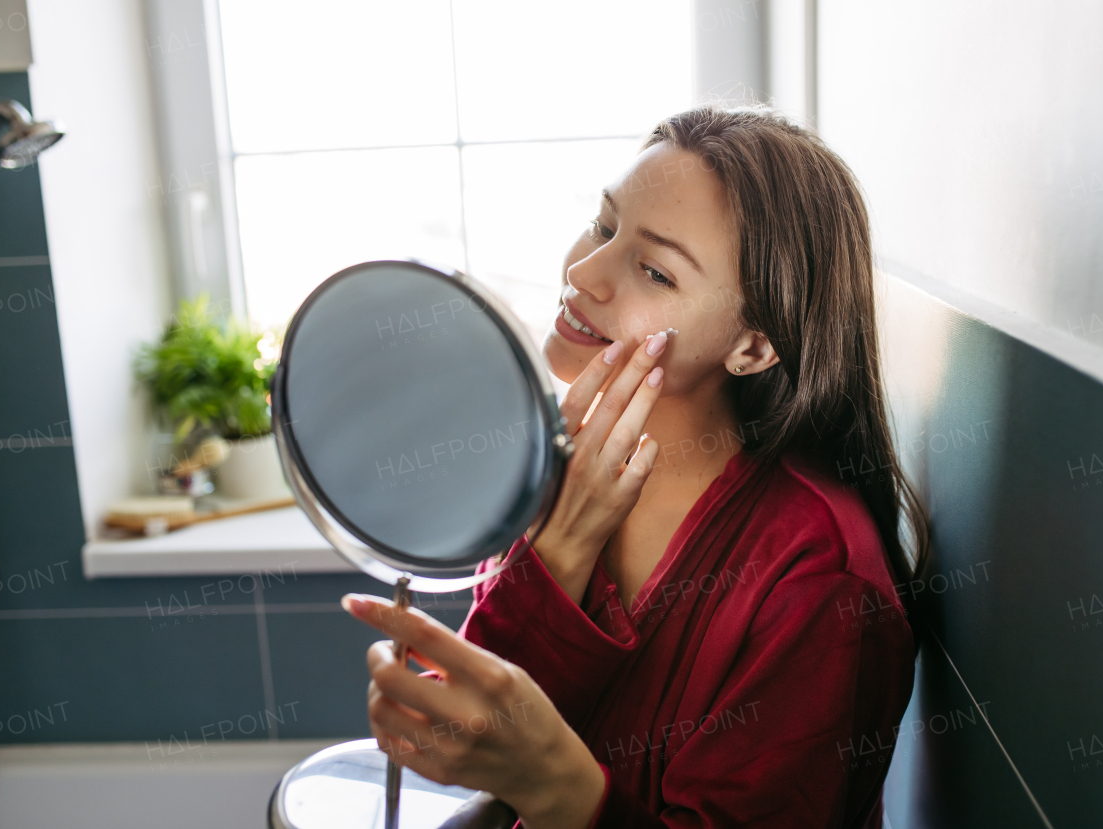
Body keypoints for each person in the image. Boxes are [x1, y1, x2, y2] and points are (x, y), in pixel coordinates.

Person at [342, 105, 930, 828]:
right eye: (602, 224)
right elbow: (464, 745)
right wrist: (553, 557)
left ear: (752, 346)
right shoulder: (559, 476)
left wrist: (562, 788)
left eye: (653, 270)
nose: (584, 273)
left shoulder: (819, 580)